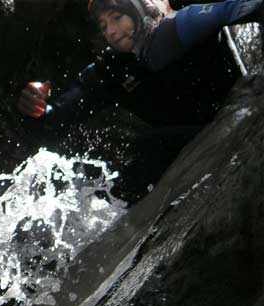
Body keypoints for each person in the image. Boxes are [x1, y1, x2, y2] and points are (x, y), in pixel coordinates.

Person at [18, 0, 263, 202]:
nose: (111, 31)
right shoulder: (112, 69)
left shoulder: (182, 25)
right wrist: (35, 106)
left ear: (142, 8)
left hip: (240, 117)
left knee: (148, 144)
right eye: (103, 26)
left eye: (116, 18)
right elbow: (53, 123)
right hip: (193, 143)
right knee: (127, 178)